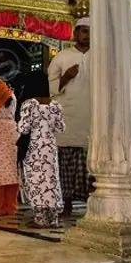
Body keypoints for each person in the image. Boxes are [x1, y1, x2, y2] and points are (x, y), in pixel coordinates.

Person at [47, 16, 92, 216]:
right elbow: (52, 88)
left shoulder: (99, 56)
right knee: (64, 162)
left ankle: (93, 204)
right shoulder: (62, 57)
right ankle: (66, 204)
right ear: (75, 34)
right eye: (83, 31)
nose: (87, 35)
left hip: (92, 117)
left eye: (90, 31)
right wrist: (66, 77)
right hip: (67, 116)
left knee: (90, 163)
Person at [17, 74, 65, 229]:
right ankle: (53, 218)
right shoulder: (56, 105)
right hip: (50, 146)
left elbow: (23, 128)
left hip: (35, 146)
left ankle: (40, 219)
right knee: (51, 180)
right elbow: (61, 128)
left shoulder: (29, 104)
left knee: (36, 180)